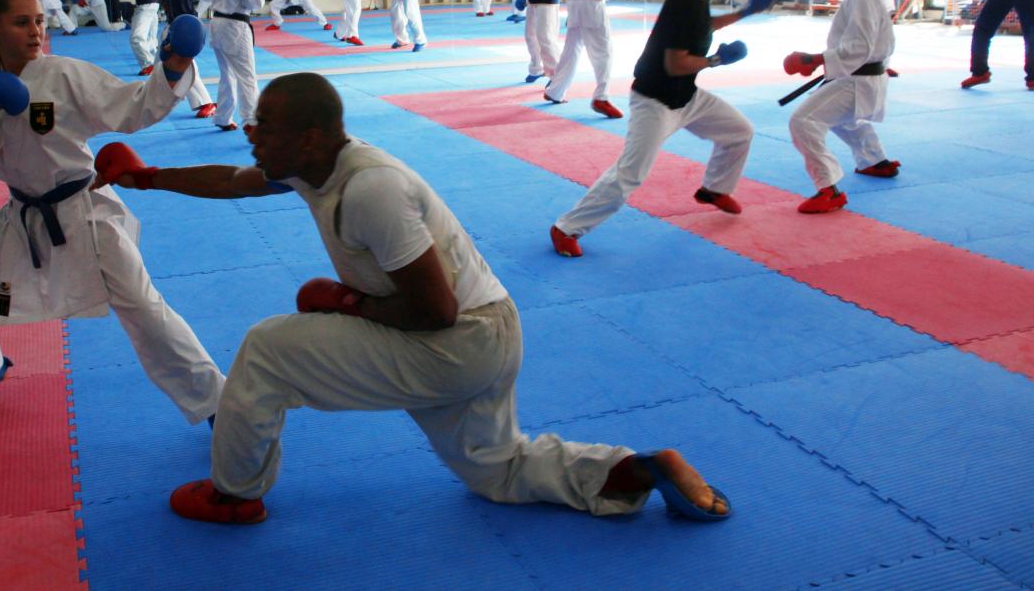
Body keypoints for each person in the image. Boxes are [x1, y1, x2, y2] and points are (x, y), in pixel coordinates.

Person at [93, 72, 732, 526]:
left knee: (267, 351)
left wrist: (346, 303)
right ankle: (632, 472)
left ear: (310, 137)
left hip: (457, 339)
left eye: (267, 127)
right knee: (496, 470)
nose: (253, 135)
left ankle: (234, 494)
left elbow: (436, 311)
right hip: (486, 338)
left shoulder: (371, 190)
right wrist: (146, 177)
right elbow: (234, 181)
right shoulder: (315, 166)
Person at [0, 0, 225, 422]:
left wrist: (173, 66)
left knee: (145, 312)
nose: (36, 31)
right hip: (21, 215)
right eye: (21, 22)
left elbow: (131, 106)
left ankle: (220, 404)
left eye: (39, 21)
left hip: (83, 213)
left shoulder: (64, 75)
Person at [550, 0, 771, 257]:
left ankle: (714, 189)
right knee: (630, 174)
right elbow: (675, 63)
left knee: (740, 131)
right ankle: (566, 228)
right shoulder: (683, 3)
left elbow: (704, 27)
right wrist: (717, 60)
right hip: (655, 102)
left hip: (686, 97)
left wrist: (745, 12)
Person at [786, 0, 898, 214]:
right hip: (862, 80)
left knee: (802, 121)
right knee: (837, 117)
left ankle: (828, 189)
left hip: (859, 82)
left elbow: (861, 47)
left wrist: (814, 59)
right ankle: (874, 160)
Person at [197, 0, 263, 131]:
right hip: (235, 26)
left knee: (227, 74)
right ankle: (252, 121)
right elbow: (257, 3)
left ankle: (223, 117)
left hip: (217, 24)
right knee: (247, 76)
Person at [158, 0, 216, 118]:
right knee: (162, 61)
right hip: (171, 21)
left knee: (184, 62)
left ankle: (205, 101)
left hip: (186, 21)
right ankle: (167, 96)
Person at [129, 0, 161, 74]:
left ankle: (148, 64)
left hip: (145, 5)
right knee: (151, 38)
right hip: (155, 3)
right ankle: (158, 61)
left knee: (136, 38)